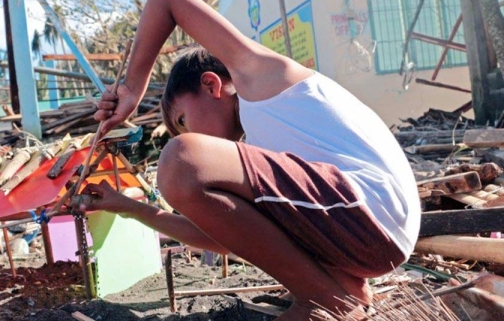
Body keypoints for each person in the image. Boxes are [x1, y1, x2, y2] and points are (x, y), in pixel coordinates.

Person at [79, 0, 421, 319]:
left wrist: (131, 88)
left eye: (182, 121)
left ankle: (323, 299)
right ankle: (343, 293)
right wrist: (129, 207)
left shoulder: (261, 78)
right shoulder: (263, 149)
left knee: (180, 160)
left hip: (370, 210)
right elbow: (220, 236)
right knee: (183, 166)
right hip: (368, 234)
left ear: (212, 85)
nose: (187, 134)